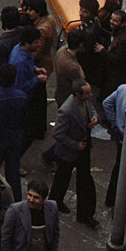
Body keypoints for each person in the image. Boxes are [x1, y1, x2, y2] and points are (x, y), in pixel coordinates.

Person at [46, 79, 97, 227]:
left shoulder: (85, 101)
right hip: (69, 151)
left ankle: (84, 214)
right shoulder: (67, 110)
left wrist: (94, 118)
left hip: (83, 147)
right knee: (62, 179)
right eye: (87, 93)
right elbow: (58, 134)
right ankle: (55, 204)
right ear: (77, 95)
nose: (90, 95)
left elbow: (91, 108)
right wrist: (75, 145)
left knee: (84, 181)